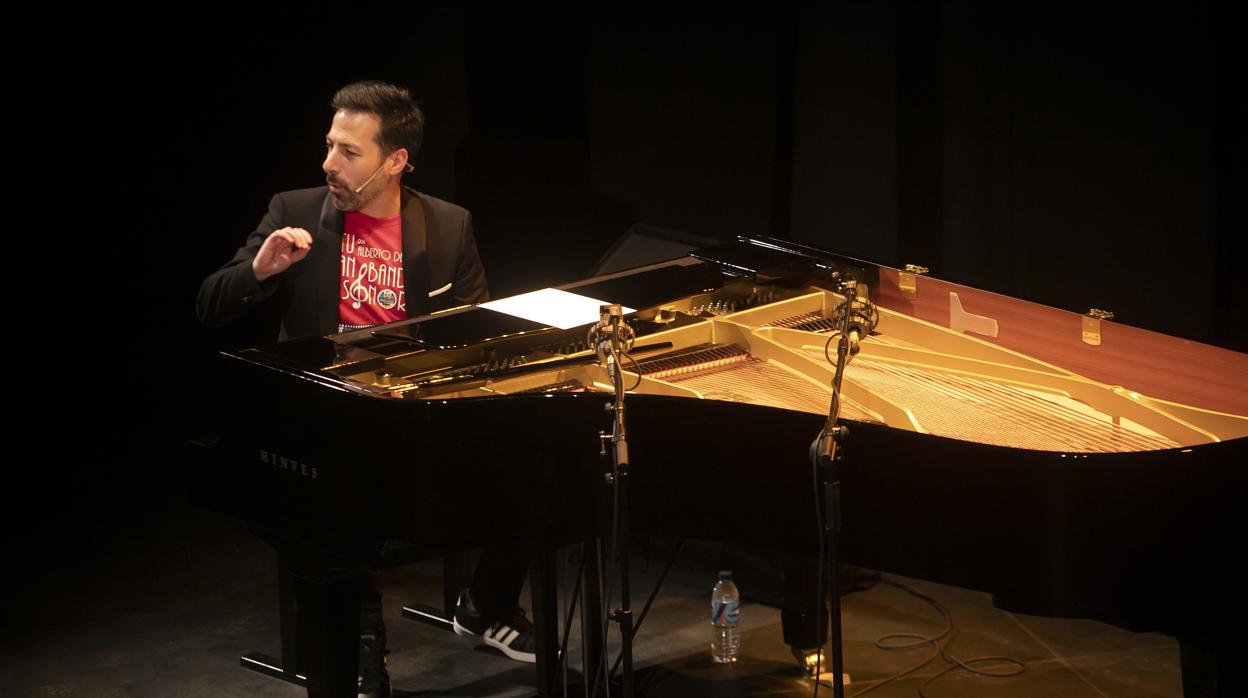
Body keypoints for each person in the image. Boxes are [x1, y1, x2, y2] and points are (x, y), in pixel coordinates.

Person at [197, 80, 532, 698]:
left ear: (396, 160)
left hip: (412, 407)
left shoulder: (448, 226)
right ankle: (359, 647)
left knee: (539, 459)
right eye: (330, 145)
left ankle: (485, 604)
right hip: (321, 420)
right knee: (346, 508)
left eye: (349, 152)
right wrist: (260, 270)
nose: (329, 162)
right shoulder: (293, 210)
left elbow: (475, 329)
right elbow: (210, 304)